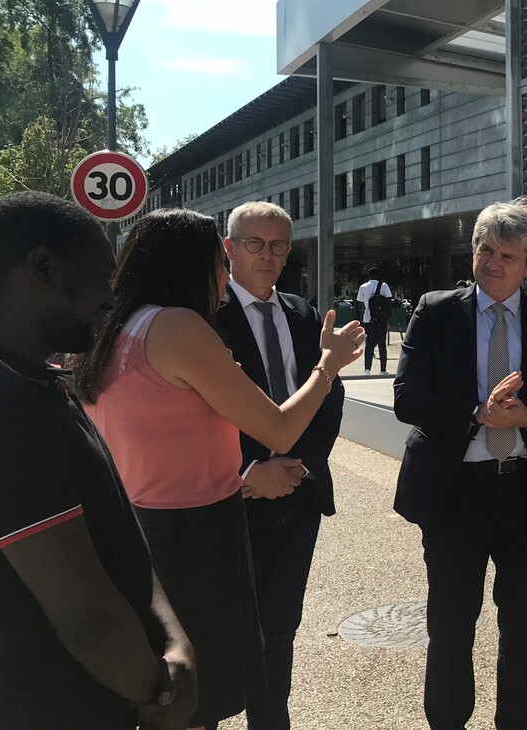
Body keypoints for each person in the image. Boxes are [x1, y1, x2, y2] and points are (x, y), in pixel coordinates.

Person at [72, 208, 364, 729]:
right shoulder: (180, 326)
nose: (226, 276)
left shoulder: (113, 329)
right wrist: (328, 366)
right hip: (196, 533)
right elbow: (276, 427)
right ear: (193, 263)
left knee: (174, 681)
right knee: (198, 689)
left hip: (141, 524)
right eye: (221, 262)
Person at [0, 192, 197, 729]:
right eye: (103, 275)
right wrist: (162, 698)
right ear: (42, 268)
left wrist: (172, 638)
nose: (111, 296)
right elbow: (88, 620)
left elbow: (120, 540)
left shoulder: (36, 384)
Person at [392, 197, 527, 729]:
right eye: (484, 250)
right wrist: (476, 414)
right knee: (451, 627)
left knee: (522, 632)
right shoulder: (435, 312)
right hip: (457, 492)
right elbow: (406, 397)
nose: (492, 262)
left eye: (506, 254)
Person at [217, 202, 346, 730]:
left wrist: (295, 466)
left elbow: (328, 398)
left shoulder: (304, 313)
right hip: (233, 500)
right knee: (221, 629)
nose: (267, 256)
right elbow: (204, 410)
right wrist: (249, 472)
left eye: (278, 246)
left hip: (298, 497)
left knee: (280, 628)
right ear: (229, 248)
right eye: (254, 244)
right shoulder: (204, 316)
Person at [356, 266, 394, 375]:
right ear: (378, 275)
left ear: (368, 276)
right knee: (382, 343)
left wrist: (365, 314)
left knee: (369, 343)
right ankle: (383, 369)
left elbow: (360, 303)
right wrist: (386, 315)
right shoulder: (384, 286)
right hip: (381, 319)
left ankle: (367, 369)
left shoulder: (363, 287)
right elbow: (389, 301)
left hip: (368, 319)